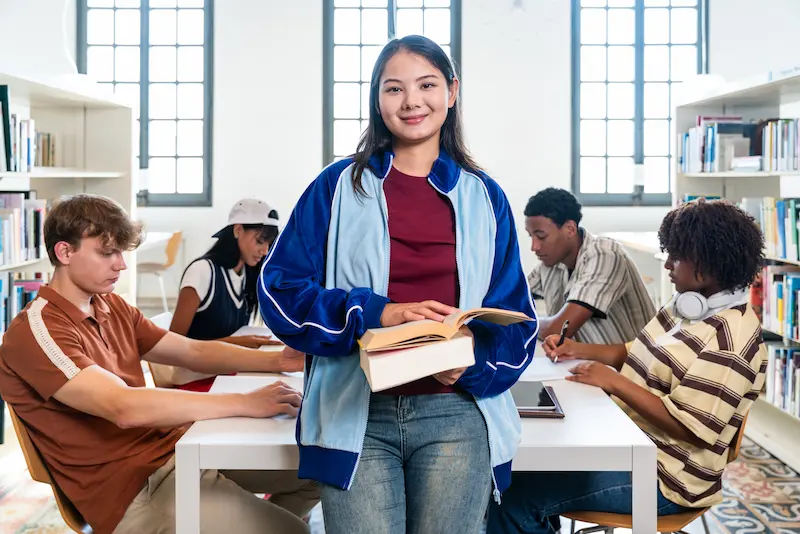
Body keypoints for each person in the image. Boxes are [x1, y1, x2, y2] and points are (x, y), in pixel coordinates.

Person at [257, 35, 538, 534]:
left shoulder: (485, 197)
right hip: (354, 415)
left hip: (457, 416)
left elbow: (517, 324)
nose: (412, 101)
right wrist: (378, 313)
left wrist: (469, 360)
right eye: (394, 89)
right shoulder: (337, 186)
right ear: (376, 98)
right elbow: (280, 292)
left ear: (452, 92)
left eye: (427, 85)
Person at [0, 194, 318, 534]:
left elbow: (190, 351)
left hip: (171, 453)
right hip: (132, 489)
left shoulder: (110, 306)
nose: (121, 264)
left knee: (320, 471)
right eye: (107, 253)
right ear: (65, 252)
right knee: (292, 531)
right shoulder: (37, 331)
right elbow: (124, 407)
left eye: (121, 252)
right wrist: (245, 403)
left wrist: (279, 360)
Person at [487, 199, 768, 534]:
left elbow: (689, 427)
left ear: (707, 264)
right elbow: (637, 350)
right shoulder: (689, 307)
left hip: (667, 480)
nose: (667, 266)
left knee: (515, 496)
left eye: (676, 257)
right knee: (518, 473)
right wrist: (578, 349)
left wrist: (614, 383)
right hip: (630, 441)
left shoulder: (731, 342)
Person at [166, 198, 304, 391]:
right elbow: (173, 345)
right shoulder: (202, 272)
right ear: (238, 230)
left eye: (269, 244)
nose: (264, 251)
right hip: (196, 380)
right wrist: (237, 343)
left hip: (228, 371)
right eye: (260, 241)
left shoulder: (247, 273)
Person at [525, 187, 655, 344]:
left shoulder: (605, 254)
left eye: (541, 237)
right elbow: (509, 301)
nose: (534, 247)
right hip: (582, 363)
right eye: (531, 236)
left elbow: (560, 330)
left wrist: (521, 322)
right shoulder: (551, 263)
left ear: (570, 229)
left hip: (631, 366)